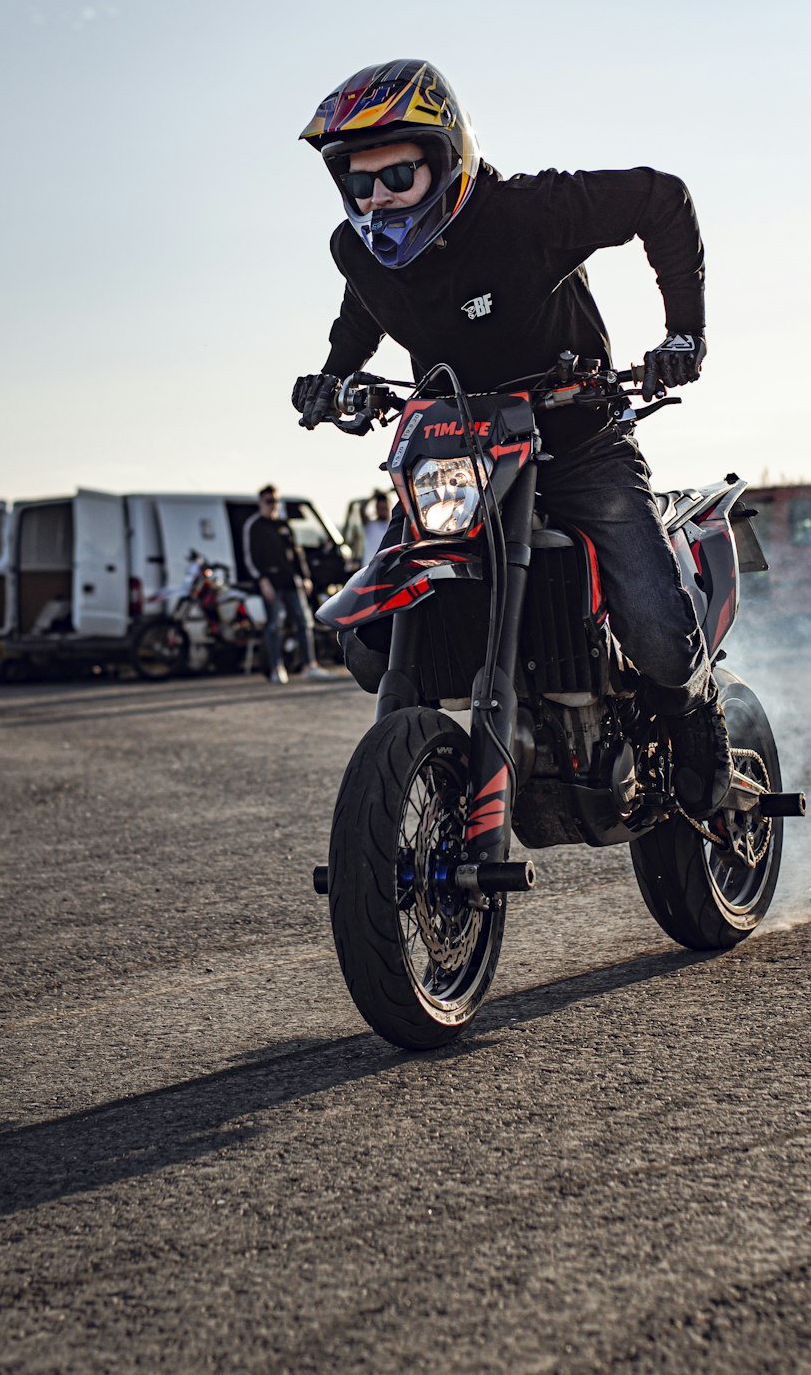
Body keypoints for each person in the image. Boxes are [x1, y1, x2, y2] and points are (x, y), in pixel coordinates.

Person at [291, 58, 731, 816]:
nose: (378, 198)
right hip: (457, 460)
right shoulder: (355, 248)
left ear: (445, 155)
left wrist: (684, 333)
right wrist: (334, 374)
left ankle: (697, 718)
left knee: (657, 634)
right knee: (365, 644)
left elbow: (663, 199)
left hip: (579, 443)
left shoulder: (527, 211)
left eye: (397, 174)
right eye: (359, 183)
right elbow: (368, 306)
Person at [241, 487, 334, 683]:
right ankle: (276, 667)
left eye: (275, 500)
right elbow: (250, 557)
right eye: (268, 501)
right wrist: (262, 580)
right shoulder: (254, 526)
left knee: (304, 622)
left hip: (291, 581)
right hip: (271, 582)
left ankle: (310, 665)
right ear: (260, 503)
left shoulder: (283, 525)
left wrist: (304, 576)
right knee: (274, 625)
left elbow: (296, 553)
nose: (272, 504)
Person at [361, 490, 392, 566]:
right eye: (380, 508)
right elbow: (362, 509)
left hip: (386, 567)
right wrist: (373, 497)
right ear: (376, 509)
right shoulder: (370, 524)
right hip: (369, 568)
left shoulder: (392, 525)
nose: (383, 511)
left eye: (384, 508)